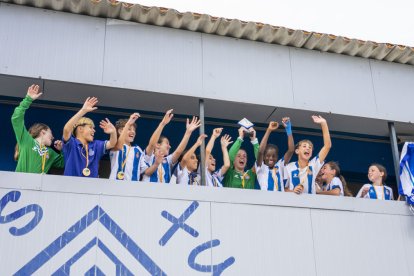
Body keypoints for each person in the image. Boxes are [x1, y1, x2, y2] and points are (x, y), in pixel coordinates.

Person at [12, 84, 64, 174]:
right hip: (20, 185)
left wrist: (62, 150)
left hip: (38, 187)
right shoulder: (27, 141)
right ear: (43, 132)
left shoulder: (50, 152)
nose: (53, 137)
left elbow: (63, 164)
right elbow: (16, 119)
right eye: (50, 133)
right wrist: (28, 99)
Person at [62, 97, 117, 177]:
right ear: (80, 129)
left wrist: (113, 132)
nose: (94, 131)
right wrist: (83, 111)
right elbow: (67, 129)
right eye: (91, 127)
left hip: (91, 186)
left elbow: (112, 143)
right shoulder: (71, 143)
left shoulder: (96, 145)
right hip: (71, 185)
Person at [142, 110, 201, 183]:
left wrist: (188, 132)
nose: (169, 146)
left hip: (164, 193)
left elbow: (179, 151)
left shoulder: (168, 160)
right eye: (167, 143)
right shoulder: (149, 157)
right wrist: (162, 124)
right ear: (157, 145)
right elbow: (151, 144)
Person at [285, 115, 331, 195]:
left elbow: (327, 146)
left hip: (309, 205)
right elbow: (283, 189)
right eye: (304, 146)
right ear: (297, 151)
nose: (308, 148)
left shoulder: (313, 165)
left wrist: (324, 124)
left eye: (310, 147)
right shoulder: (289, 167)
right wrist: (293, 191)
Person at [255, 118, 295, 192]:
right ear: (264, 157)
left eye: (274, 156)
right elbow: (260, 151)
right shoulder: (260, 166)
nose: (271, 158)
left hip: (279, 201)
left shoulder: (279, 166)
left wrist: (288, 130)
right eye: (268, 155)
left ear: (277, 158)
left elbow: (291, 150)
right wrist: (269, 130)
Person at [109, 113, 149, 181]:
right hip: (114, 185)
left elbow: (145, 169)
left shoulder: (138, 149)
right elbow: (118, 146)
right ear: (120, 131)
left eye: (134, 130)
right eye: (129, 129)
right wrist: (128, 123)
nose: (133, 132)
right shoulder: (114, 144)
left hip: (132, 188)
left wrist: (157, 163)